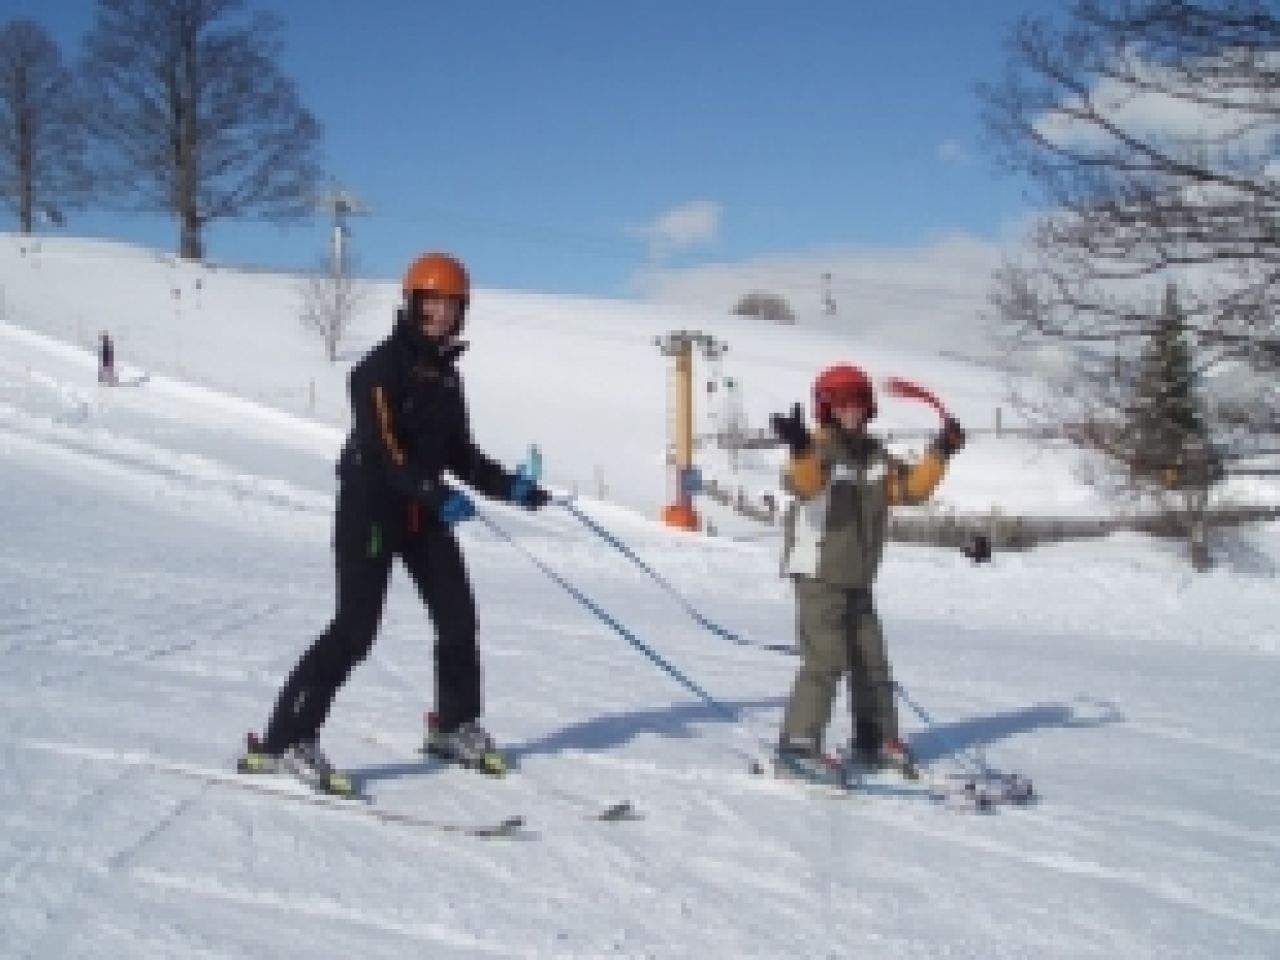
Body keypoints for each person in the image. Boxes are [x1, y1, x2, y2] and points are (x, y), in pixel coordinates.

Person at [241, 252, 551, 793]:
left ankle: (453, 726)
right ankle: (287, 738)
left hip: (422, 513)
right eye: (429, 302)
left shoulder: (447, 380)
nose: (438, 313)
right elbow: (388, 455)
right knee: (354, 631)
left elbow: (462, 455)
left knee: (458, 620)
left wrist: (513, 488)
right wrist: (435, 493)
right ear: (410, 303)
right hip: (372, 510)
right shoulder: (377, 372)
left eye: (449, 305)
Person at [769, 363, 965, 781]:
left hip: (858, 577)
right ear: (825, 408)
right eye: (840, 403)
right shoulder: (817, 449)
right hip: (819, 574)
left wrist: (940, 452)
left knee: (871, 661)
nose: (850, 410)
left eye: (857, 401)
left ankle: (874, 740)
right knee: (826, 660)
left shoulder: (874, 455)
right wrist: (800, 448)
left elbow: (911, 489)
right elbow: (805, 486)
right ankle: (798, 744)